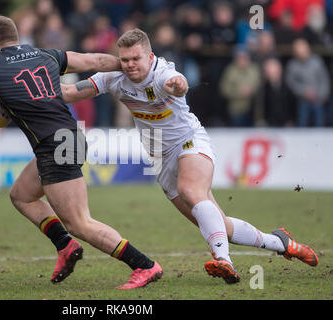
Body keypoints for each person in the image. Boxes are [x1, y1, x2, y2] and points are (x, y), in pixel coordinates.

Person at [61, 28, 319, 284]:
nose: (129, 65)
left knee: (191, 190)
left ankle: (224, 262)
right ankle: (280, 242)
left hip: (190, 142)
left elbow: (178, 83)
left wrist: (178, 85)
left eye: (135, 59)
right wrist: (30, 85)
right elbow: (71, 93)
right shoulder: (112, 78)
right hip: (160, 160)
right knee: (220, 227)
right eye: (124, 59)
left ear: (150, 58)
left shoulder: (162, 73)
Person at [0, 16, 162, 290]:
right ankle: (64, 245)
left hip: (56, 145)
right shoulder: (45, 54)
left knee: (80, 222)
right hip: (67, 137)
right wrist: (131, 65)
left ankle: (144, 265)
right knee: (22, 195)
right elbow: (94, 62)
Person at [285, 38, 330, 127]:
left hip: (318, 99)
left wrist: (320, 95)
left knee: (320, 123)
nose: (301, 52)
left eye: (303, 49)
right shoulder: (293, 65)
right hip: (302, 99)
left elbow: (324, 80)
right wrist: (303, 92)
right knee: (302, 122)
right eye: (298, 50)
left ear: (308, 49)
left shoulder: (317, 62)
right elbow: (291, 83)